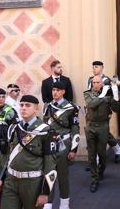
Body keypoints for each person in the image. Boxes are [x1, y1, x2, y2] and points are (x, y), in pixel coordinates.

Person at [0, 95, 58, 209]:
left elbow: (50, 165)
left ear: (36, 109)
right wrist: (1, 178)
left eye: (28, 105)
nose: (23, 108)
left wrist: (45, 192)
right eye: (21, 105)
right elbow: (9, 157)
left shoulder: (47, 131)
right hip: (11, 180)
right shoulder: (14, 128)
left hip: (32, 183)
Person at [42, 81, 80, 209]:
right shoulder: (47, 106)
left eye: (58, 90)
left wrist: (73, 149)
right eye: (53, 90)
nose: (55, 92)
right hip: (49, 144)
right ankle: (48, 203)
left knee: (62, 176)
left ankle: (64, 203)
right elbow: (44, 126)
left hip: (64, 144)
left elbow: (75, 129)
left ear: (63, 91)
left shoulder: (71, 107)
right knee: (48, 174)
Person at [84, 75, 120, 192]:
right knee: (92, 155)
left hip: (103, 127)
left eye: (97, 82)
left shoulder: (107, 95)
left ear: (102, 84)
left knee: (102, 154)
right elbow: (91, 104)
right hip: (91, 127)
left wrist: (115, 95)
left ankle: (101, 171)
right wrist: (103, 95)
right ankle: (94, 179)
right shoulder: (88, 94)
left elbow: (116, 108)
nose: (95, 84)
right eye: (93, 82)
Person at [85, 60, 120, 162]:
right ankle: (117, 150)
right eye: (93, 67)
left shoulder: (107, 80)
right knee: (98, 133)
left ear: (102, 68)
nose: (94, 69)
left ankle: (96, 160)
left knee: (103, 133)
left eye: (97, 67)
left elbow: (111, 95)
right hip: (92, 109)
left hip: (103, 110)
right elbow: (89, 93)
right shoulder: (90, 79)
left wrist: (109, 110)